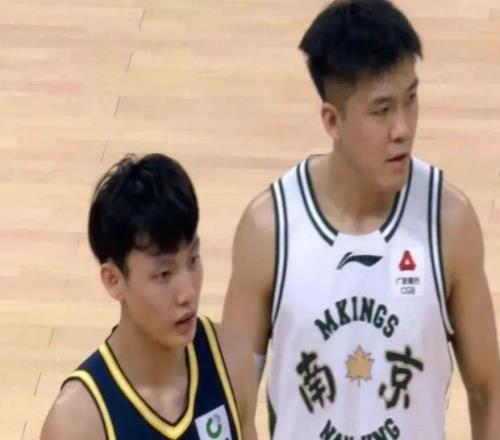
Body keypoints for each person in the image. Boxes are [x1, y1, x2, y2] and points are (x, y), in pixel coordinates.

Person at [222, 0, 500, 438]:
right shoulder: (269, 231)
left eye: (411, 100)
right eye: (381, 110)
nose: (402, 128)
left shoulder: (449, 222)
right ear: (332, 121)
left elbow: (489, 391)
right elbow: (231, 405)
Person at [41, 153, 257, 440]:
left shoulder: (231, 360)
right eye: (164, 274)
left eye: (193, 260)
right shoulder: (78, 423)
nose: (188, 293)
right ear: (114, 280)